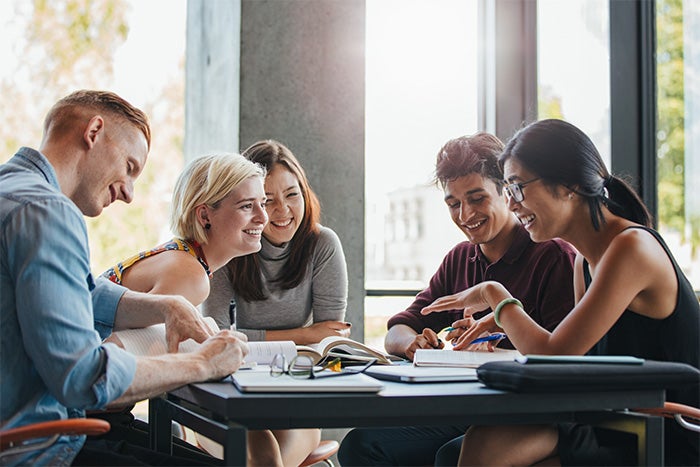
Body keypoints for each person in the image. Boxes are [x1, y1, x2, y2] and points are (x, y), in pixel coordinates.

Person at [422, 119, 700, 466]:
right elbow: (571, 363)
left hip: (664, 430)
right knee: (472, 445)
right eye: (508, 192)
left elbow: (553, 356)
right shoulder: (584, 260)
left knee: (484, 446)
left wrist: (496, 297)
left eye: (518, 188)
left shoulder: (631, 248)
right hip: (616, 419)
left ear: (569, 185)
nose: (511, 205)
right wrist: (503, 323)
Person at [0, 90, 248, 466]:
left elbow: (79, 288)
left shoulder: (13, 194)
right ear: (94, 131)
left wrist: (166, 305)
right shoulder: (48, 211)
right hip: (38, 447)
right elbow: (84, 377)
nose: (129, 194)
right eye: (130, 167)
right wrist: (204, 363)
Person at [338, 132, 578, 466]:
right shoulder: (460, 259)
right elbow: (398, 329)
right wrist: (413, 344)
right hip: (470, 409)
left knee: (451, 456)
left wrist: (497, 350)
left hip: (530, 415)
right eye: (453, 203)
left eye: (477, 199)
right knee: (360, 445)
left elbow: (563, 360)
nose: (465, 215)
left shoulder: (552, 255)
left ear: (507, 193)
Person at [202, 139, 350, 345]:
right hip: (240, 365)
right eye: (267, 200)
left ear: (305, 194)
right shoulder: (227, 245)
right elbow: (216, 335)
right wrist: (304, 335)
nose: (283, 210)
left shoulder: (323, 244)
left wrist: (312, 336)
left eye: (292, 195)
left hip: (303, 366)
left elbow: (329, 335)